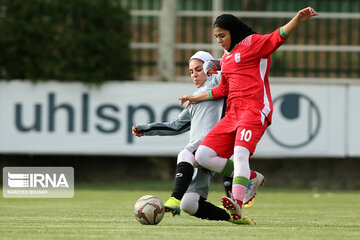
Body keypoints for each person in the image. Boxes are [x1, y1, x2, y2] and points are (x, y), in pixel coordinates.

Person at [179, 7, 318, 221]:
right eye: (216, 37)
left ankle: (237, 202)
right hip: (233, 113)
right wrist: (194, 98)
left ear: (233, 31)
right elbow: (222, 90)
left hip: (253, 110)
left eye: (222, 35)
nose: (219, 40)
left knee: (241, 154)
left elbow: (278, 36)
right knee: (202, 155)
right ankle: (250, 178)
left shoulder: (253, 43)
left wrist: (298, 19)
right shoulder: (226, 59)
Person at [132, 51, 262, 225]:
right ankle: (233, 216)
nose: (194, 74)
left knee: (185, 155)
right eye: (191, 71)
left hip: (211, 144)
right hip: (202, 153)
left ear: (209, 68)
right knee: (191, 204)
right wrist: (145, 129)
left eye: (198, 69)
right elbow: (176, 126)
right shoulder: (194, 101)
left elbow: (230, 66)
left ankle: (174, 199)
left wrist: (218, 63)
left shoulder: (217, 82)